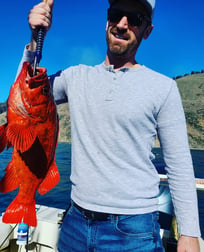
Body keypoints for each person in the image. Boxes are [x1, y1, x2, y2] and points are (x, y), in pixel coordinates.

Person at [18, 0, 201, 251]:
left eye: (135, 19)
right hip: (74, 223)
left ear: (147, 30)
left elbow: (179, 163)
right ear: (107, 21)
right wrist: (36, 38)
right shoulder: (74, 77)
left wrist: (189, 233)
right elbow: (23, 95)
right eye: (117, 14)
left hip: (134, 231)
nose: (123, 24)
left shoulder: (164, 87)